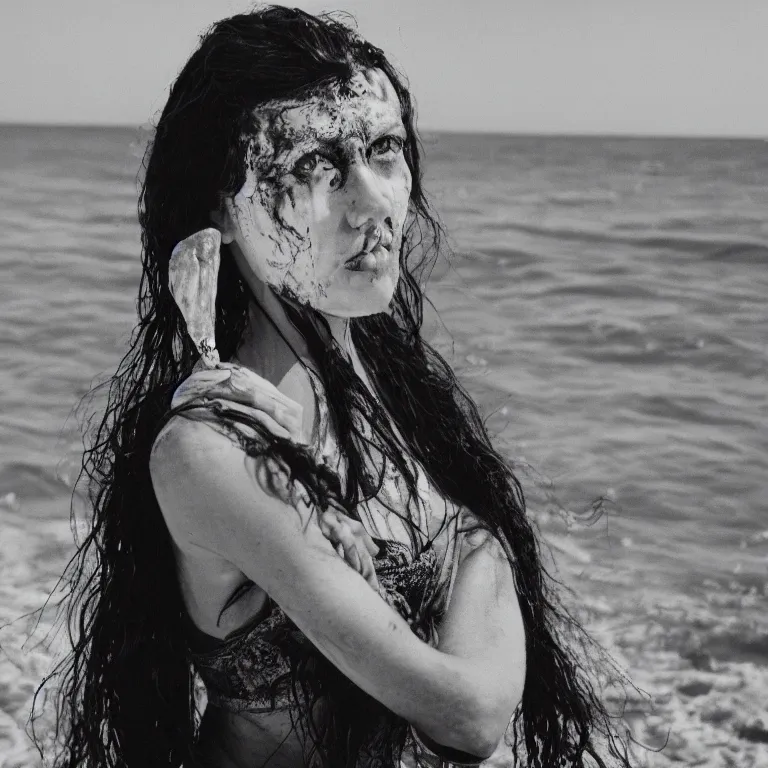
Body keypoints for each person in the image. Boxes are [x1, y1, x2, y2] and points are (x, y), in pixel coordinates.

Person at [34, 6, 639, 768]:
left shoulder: (376, 379)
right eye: (314, 166)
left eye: (383, 151)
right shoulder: (209, 449)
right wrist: (484, 544)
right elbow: (469, 713)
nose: (373, 204)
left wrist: (478, 538)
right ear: (219, 207)